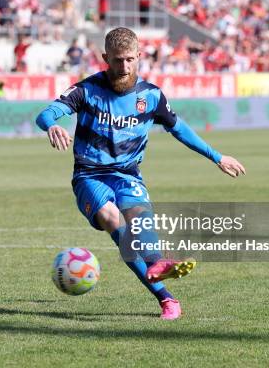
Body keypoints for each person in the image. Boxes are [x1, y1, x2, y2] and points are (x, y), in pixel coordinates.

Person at [35, 27, 245, 320]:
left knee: (136, 221)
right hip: (90, 175)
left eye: (130, 60)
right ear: (105, 57)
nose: (124, 67)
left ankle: (158, 265)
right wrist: (53, 125)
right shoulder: (86, 90)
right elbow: (44, 114)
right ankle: (166, 296)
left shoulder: (151, 95)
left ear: (140, 56)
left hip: (128, 175)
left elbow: (179, 129)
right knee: (111, 218)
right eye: (118, 60)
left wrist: (217, 156)